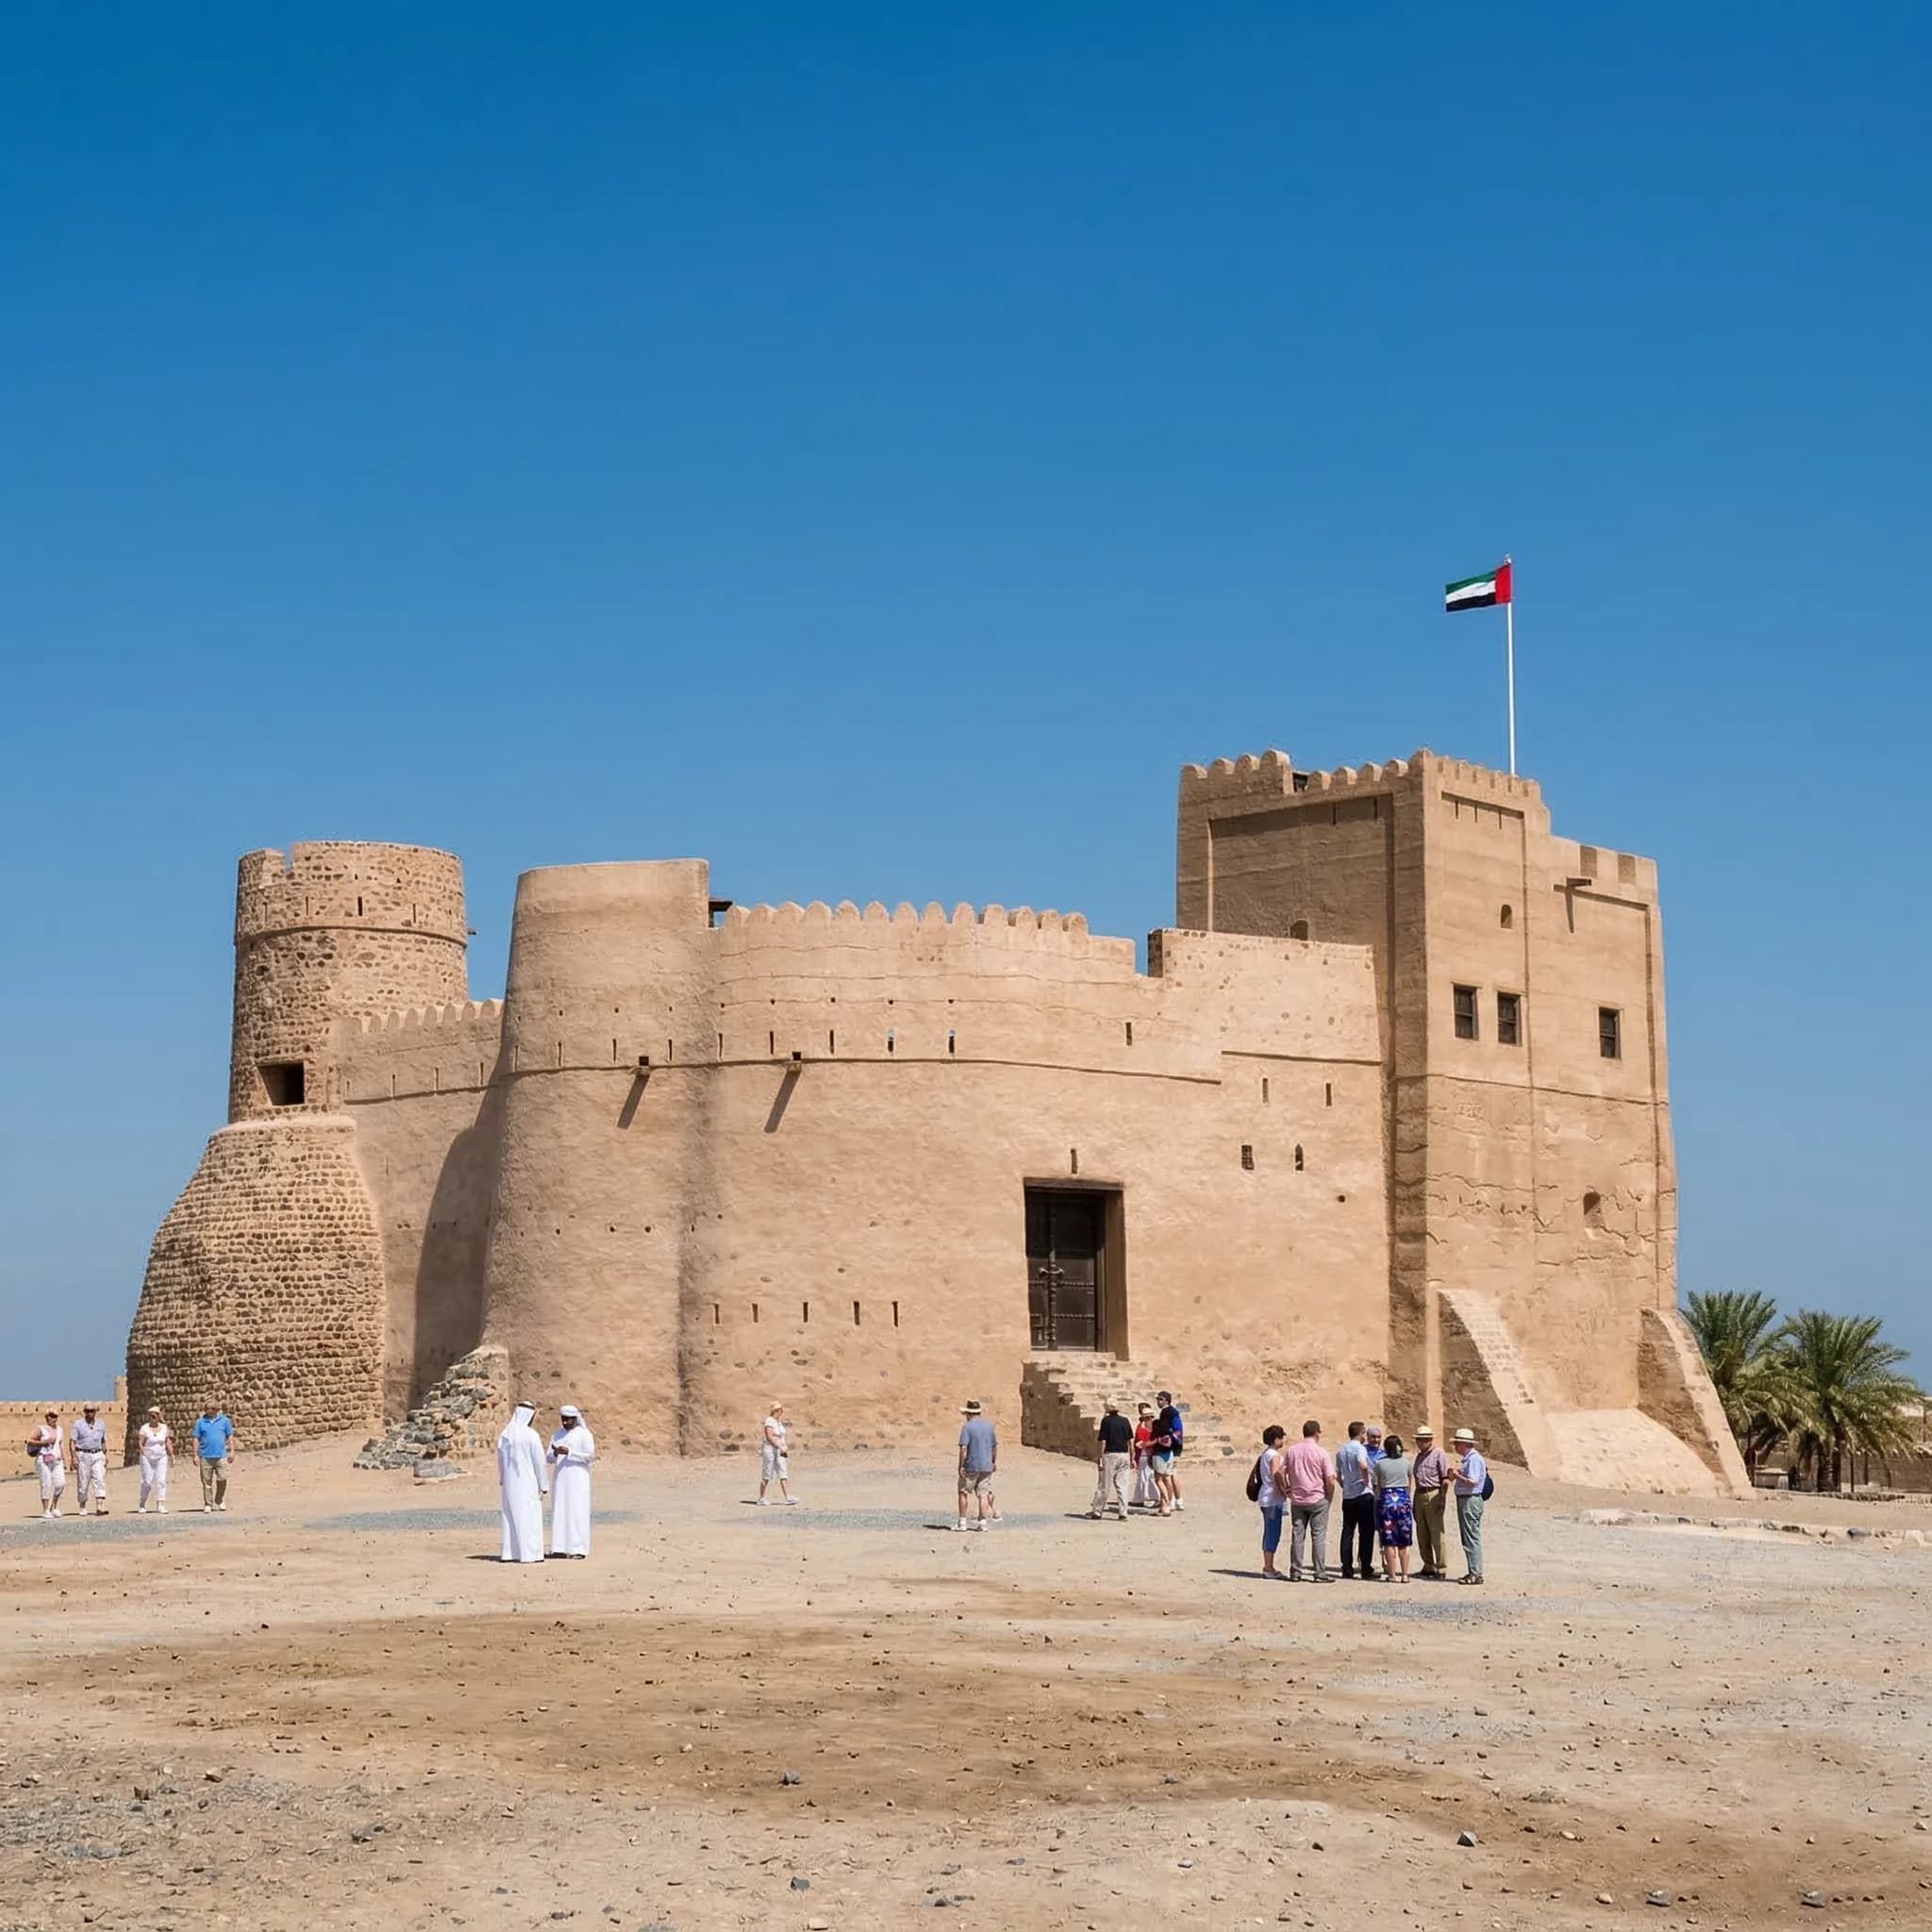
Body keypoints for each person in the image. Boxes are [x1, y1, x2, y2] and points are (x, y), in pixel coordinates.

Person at [1281, 1419, 1336, 1582]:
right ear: (1317, 1434)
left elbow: (1279, 1472)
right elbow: (1330, 1480)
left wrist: (1286, 1488)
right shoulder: (1321, 1453)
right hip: (1318, 1498)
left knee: (1297, 1536)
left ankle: (1295, 1571)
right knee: (1318, 1536)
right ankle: (1319, 1572)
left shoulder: (1292, 1451)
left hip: (1298, 1499)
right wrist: (1329, 1497)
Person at [495, 1401, 548, 1562]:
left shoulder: (505, 1434)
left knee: (511, 1516)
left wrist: (503, 1479)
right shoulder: (531, 1435)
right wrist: (543, 1484)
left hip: (510, 1484)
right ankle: (529, 1553)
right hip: (527, 1483)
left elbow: (500, 1460)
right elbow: (539, 1461)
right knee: (528, 1516)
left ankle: (510, 1553)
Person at [548, 1403, 596, 1557]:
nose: (565, 1422)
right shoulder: (556, 1435)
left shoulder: (584, 1435)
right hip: (561, 1478)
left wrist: (570, 1452)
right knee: (560, 1511)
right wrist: (555, 1453)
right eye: (563, 1419)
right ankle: (559, 1548)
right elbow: (548, 1457)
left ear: (575, 1419)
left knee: (577, 1511)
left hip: (578, 1478)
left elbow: (590, 1456)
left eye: (568, 1419)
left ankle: (578, 1549)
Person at [1334, 1420, 1374, 1580]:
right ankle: (1365, 1568)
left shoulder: (1341, 1451)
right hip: (1363, 1494)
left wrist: (1344, 1485)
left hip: (1348, 1496)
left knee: (1347, 1532)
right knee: (1366, 1533)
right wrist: (1366, 1480)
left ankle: (1347, 1568)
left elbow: (1337, 1474)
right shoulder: (1360, 1449)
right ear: (1362, 1433)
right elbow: (1363, 1465)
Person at [1374, 1432, 1415, 1583]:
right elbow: (1409, 1483)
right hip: (1402, 1499)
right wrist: (1406, 1499)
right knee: (1404, 1539)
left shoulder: (1379, 1464)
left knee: (1389, 1539)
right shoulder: (1406, 1463)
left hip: (1386, 1500)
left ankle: (1392, 1575)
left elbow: (1376, 1485)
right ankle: (1405, 1575)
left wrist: (1378, 1502)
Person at [1410, 1424, 1451, 1578]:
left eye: (1424, 1440)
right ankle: (1428, 1564)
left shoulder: (1439, 1453)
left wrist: (1442, 1499)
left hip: (1433, 1492)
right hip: (1420, 1493)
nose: (1421, 1442)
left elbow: (1445, 1479)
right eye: (1419, 1440)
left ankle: (1441, 1568)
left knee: (1436, 1532)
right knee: (1422, 1532)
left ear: (1430, 1440)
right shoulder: (1419, 1456)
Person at [955, 1399, 997, 1531]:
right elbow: (994, 1447)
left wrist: (961, 1465)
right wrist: (993, 1462)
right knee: (983, 1494)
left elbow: (963, 1449)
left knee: (963, 1492)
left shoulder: (967, 1427)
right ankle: (983, 1523)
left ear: (968, 1413)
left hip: (971, 1465)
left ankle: (962, 1522)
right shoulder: (989, 1426)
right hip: (986, 1465)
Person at [1453, 1426, 1488, 1585]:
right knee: (1470, 1536)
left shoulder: (1473, 1459)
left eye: (1457, 1443)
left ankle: (1475, 1573)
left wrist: (1456, 1476)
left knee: (1471, 1537)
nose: (1455, 1447)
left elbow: (1472, 1481)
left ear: (1464, 1444)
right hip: (1468, 1499)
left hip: (1470, 1499)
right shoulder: (1470, 1458)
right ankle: (1475, 1571)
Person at [1090, 1400, 1134, 1520]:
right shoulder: (1125, 1421)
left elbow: (1103, 1441)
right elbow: (1130, 1441)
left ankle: (1097, 1511)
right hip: (1124, 1454)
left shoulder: (1106, 1421)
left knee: (1104, 1484)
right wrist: (1132, 1457)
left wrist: (1100, 1457)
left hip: (1110, 1455)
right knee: (1122, 1485)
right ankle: (1123, 1512)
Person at [1254, 1424, 1289, 1578]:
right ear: (1276, 1439)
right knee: (1273, 1533)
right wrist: (1285, 1490)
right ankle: (1268, 1567)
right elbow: (1276, 1474)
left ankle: (1269, 1565)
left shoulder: (1266, 1453)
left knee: (1270, 1531)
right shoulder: (1274, 1455)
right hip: (1272, 1498)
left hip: (1266, 1497)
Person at [70, 1403, 110, 1517]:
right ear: (84, 1412)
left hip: (97, 1454)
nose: (89, 1413)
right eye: (87, 1411)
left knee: (99, 1479)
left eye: (91, 1411)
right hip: (83, 1454)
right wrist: (73, 1457)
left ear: (95, 1412)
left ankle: (100, 1507)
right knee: (83, 1481)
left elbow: (103, 1440)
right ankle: (82, 1506)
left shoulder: (101, 1424)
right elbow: (72, 1441)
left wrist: (105, 1455)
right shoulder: (78, 1424)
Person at [193, 1402, 235, 1513]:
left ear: (215, 1410)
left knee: (223, 1478)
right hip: (205, 1456)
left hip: (221, 1455)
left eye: (210, 1408)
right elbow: (196, 1439)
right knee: (206, 1482)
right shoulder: (200, 1422)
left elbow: (229, 1436)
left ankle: (219, 1499)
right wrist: (195, 1455)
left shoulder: (224, 1421)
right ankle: (208, 1503)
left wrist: (232, 1451)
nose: (207, 1410)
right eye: (206, 1408)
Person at [758, 1401, 800, 1506]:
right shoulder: (769, 1421)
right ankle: (761, 1497)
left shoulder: (778, 1422)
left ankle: (787, 1497)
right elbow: (770, 1436)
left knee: (782, 1471)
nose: (782, 1412)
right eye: (781, 1410)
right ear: (776, 1411)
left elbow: (780, 1436)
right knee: (767, 1472)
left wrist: (783, 1447)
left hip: (780, 1450)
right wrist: (780, 1446)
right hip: (770, 1449)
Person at [28, 1409, 66, 1521]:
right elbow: (29, 1441)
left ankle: (53, 1506)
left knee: (61, 1484)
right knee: (46, 1484)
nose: (53, 1418)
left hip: (57, 1460)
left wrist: (65, 1459)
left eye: (55, 1416)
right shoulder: (41, 1429)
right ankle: (46, 1510)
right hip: (43, 1460)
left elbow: (61, 1445)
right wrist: (43, 1443)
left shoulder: (60, 1430)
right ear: (47, 1417)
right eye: (51, 1416)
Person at [137, 1407, 172, 1514]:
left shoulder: (164, 1428)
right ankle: (142, 1503)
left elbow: (167, 1441)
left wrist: (172, 1454)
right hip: (147, 1457)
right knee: (147, 1481)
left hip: (161, 1457)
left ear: (158, 1416)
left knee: (161, 1480)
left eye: (155, 1415)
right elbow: (140, 1442)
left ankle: (160, 1504)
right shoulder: (144, 1428)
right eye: (151, 1416)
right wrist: (142, 1451)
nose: (153, 1418)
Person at [1154, 1391, 1185, 1511]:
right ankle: (1177, 1501)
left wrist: (1170, 1440)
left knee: (1170, 1475)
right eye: (1158, 1399)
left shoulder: (1168, 1412)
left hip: (1172, 1446)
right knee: (1170, 1474)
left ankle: (1172, 1501)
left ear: (1167, 1401)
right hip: (1174, 1445)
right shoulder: (1170, 1411)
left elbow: (1176, 1429)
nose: (1158, 1401)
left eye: (1161, 1399)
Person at [1131, 1404, 1158, 1508]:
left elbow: (1141, 1440)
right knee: (1145, 1477)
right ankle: (1140, 1497)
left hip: (1146, 1454)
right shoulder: (1149, 1426)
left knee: (1147, 1477)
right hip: (1147, 1454)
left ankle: (1151, 1497)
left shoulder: (1143, 1427)